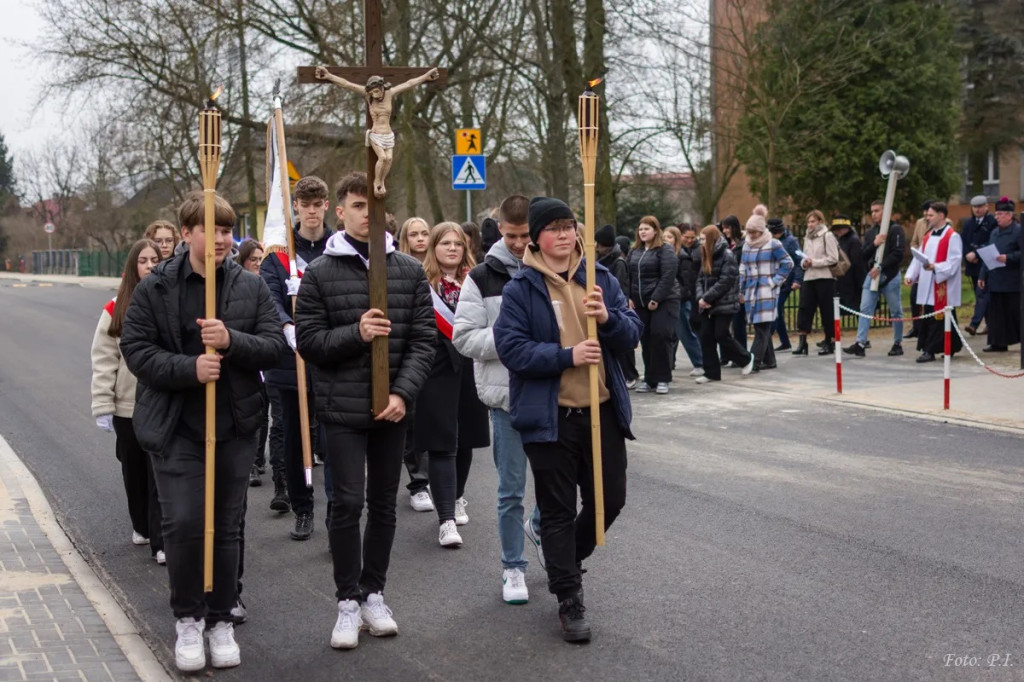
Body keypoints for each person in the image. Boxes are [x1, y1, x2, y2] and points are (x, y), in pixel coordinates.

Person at [120, 192, 287, 672]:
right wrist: (189, 367)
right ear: (186, 232)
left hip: (233, 425)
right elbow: (136, 349)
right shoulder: (157, 287)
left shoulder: (249, 287)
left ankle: (221, 620)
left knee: (228, 524)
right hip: (176, 428)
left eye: (225, 230)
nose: (218, 239)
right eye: (208, 230)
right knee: (186, 523)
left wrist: (232, 341)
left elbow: (275, 345)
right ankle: (189, 618)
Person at [294, 172, 434, 650]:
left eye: (372, 208)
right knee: (347, 503)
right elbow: (309, 342)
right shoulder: (320, 274)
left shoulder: (409, 271)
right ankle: (347, 602)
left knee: (383, 506)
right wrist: (355, 332)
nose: (365, 215)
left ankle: (375, 592)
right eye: (356, 206)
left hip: (391, 408)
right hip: (342, 409)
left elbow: (423, 341)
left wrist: (403, 394)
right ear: (340, 211)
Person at [494, 196, 641, 643]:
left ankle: (564, 562)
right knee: (557, 510)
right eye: (554, 227)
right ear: (536, 237)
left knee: (607, 502)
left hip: (601, 414)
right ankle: (569, 596)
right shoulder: (522, 288)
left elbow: (632, 332)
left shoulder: (599, 278)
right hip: (550, 419)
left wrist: (609, 318)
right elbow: (511, 349)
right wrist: (566, 356)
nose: (564, 233)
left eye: (569, 225)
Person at [453, 194, 543, 603]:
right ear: (499, 229)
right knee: (511, 489)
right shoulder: (481, 277)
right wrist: (511, 342)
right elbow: (465, 337)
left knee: (562, 483)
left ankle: (540, 530)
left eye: (526, 235)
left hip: (551, 391)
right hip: (506, 398)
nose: (520, 244)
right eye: (512, 236)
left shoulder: (553, 268)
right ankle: (513, 568)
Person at [260, 176, 333, 541]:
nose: (312, 211)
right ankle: (302, 508)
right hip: (288, 359)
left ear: (325, 205)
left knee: (335, 436)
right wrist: (286, 325)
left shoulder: (339, 247)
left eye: (317, 204)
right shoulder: (278, 251)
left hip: (331, 355)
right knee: (293, 434)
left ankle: (336, 511)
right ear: (296, 208)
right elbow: (268, 295)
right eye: (305, 205)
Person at [415, 221, 489, 547]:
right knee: (442, 441)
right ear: (434, 247)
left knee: (466, 438)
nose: (452, 248)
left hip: (470, 366)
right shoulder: (420, 282)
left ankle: (457, 497)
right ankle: (445, 520)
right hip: (436, 368)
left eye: (458, 243)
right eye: (445, 243)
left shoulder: (476, 281)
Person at [91, 238, 164, 565]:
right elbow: (104, 360)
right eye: (143, 260)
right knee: (134, 471)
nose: (149, 265)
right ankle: (141, 525)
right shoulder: (115, 308)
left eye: (155, 260)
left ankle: (161, 539)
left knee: (159, 473)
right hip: (126, 407)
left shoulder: (168, 299)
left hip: (160, 403)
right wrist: (103, 405)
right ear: (133, 266)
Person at [314, 66, 440, 198]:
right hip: (376, 134)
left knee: (389, 159)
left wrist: (426, 76)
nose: (376, 94)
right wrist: (329, 76)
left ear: (381, 87)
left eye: (378, 91)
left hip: (388, 134)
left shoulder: (389, 93)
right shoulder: (368, 96)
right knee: (383, 158)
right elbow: (347, 84)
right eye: (373, 92)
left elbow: (409, 84)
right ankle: (377, 182)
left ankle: (381, 181)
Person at [396, 215, 433, 512]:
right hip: (411, 354)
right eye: (414, 234)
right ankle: (418, 482)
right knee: (413, 420)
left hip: (440, 357)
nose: (420, 239)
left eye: (424, 233)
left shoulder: (441, 269)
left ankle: (444, 481)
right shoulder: (398, 269)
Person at [844, 200, 906, 358]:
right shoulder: (872, 232)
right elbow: (863, 255)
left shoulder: (896, 229)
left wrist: (881, 266)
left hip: (890, 275)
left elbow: (898, 254)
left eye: (877, 210)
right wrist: (874, 243)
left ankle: (897, 342)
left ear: (886, 212)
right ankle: (860, 343)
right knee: (865, 309)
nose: (873, 214)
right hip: (871, 275)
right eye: (872, 211)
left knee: (895, 311)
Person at [625, 215, 679, 394]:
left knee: (660, 337)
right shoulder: (635, 251)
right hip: (640, 303)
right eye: (640, 229)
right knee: (646, 340)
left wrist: (656, 298)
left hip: (664, 301)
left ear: (656, 230)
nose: (643, 232)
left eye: (646, 229)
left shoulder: (665, 250)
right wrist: (629, 297)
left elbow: (668, 276)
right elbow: (628, 275)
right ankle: (649, 379)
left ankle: (663, 378)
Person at [905, 201, 963, 362]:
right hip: (927, 283)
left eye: (930, 215)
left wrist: (936, 267)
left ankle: (930, 350)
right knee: (930, 316)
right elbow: (919, 257)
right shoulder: (928, 235)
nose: (927, 217)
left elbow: (955, 261)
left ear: (941, 215)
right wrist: (911, 274)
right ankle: (947, 346)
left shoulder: (952, 236)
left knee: (940, 317)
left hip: (941, 284)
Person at [696, 225, 755, 383]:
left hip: (724, 303)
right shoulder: (705, 254)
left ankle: (746, 358)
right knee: (706, 337)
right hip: (708, 304)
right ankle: (711, 373)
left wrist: (706, 298)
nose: (700, 242)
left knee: (721, 334)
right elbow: (700, 279)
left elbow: (726, 281)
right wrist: (702, 298)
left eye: (702, 239)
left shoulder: (727, 255)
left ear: (710, 239)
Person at [739, 206, 793, 371]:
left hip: (767, 291)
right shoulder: (746, 246)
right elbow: (743, 268)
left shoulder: (773, 244)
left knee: (762, 328)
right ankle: (770, 360)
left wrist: (774, 281)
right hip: (751, 292)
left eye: (754, 231)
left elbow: (788, 263)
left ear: (761, 230)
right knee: (760, 326)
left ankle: (753, 362)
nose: (751, 234)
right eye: (749, 231)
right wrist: (740, 290)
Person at [595, 224, 639, 387]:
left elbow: (621, 286)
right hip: (605, 305)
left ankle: (630, 374)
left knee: (625, 346)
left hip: (613, 306)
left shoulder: (618, 262)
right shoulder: (603, 260)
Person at [978, 197, 1021, 352]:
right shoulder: (994, 232)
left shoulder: (1018, 231)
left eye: (1000, 214)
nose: (997, 217)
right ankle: (998, 342)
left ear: (1009, 215)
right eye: (996, 214)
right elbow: (987, 254)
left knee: (1015, 313)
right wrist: (983, 275)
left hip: (1012, 280)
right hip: (996, 279)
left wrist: (1008, 258)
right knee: (997, 314)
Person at [793, 210, 839, 355]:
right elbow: (804, 256)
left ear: (820, 221)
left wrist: (815, 262)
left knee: (827, 310)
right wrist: (804, 263)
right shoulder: (807, 237)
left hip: (824, 277)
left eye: (813, 221)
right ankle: (802, 342)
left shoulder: (827, 235)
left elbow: (833, 258)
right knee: (804, 309)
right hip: (809, 277)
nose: (810, 224)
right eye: (808, 222)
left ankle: (829, 341)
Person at [962, 195, 997, 335]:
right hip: (972, 265)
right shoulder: (969, 223)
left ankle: (974, 324)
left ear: (986, 207)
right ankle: (989, 325)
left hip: (985, 264)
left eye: (980, 207)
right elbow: (963, 240)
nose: (977, 210)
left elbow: (991, 242)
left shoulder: (992, 222)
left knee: (983, 294)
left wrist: (976, 253)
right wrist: (967, 254)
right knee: (980, 295)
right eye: (975, 207)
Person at [767, 218, 803, 351]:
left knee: (776, 309)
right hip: (774, 281)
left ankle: (766, 336)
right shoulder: (771, 241)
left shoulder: (791, 242)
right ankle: (785, 341)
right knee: (778, 312)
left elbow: (799, 261)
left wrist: (797, 280)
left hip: (786, 282)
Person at [675, 223, 704, 376]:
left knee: (685, 331)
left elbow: (686, 280)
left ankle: (699, 361)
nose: (690, 240)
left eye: (693, 237)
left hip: (686, 297)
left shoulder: (686, 254)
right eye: (687, 237)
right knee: (674, 334)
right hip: (681, 296)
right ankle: (668, 363)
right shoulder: (680, 252)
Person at [905, 199, 934, 340]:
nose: (926, 215)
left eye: (929, 212)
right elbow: (914, 241)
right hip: (919, 262)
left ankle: (927, 327)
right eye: (924, 212)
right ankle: (916, 327)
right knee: (914, 297)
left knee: (929, 300)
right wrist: (917, 252)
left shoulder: (945, 222)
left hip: (932, 265)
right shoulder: (920, 223)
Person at [720, 215, 748, 352]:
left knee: (738, 324)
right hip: (727, 288)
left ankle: (741, 352)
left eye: (727, 227)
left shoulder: (742, 245)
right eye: (723, 228)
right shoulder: (725, 245)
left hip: (738, 287)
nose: (724, 230)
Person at [831, 215, 865, 317]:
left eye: (840, 228)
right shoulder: (840, 240)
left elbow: (856, 262)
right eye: (836, 229)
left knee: (857, 308)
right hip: (844, 280)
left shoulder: (853, 240)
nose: (838, 231)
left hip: (852, 280)